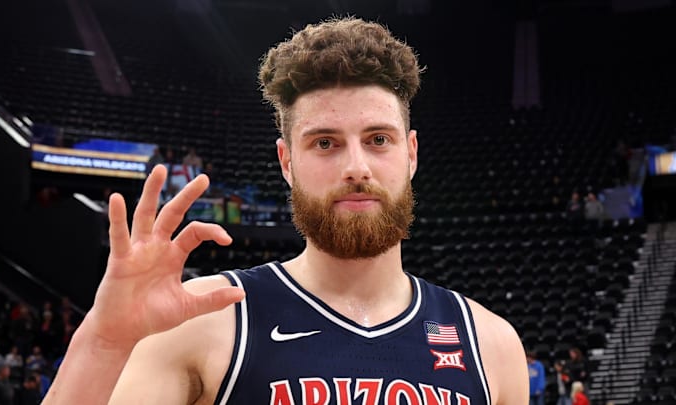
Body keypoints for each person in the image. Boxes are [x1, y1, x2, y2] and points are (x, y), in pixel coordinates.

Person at [42, 17, 528, 404]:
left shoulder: (490, 345)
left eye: (378, 139)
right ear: (287, 161)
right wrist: (104, 342)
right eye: (325, 143)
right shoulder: (209, 318)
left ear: (412, 153)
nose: (356, 167)